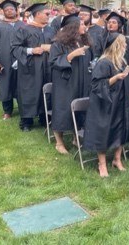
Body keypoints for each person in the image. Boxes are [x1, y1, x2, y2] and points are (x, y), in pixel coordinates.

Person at [83, 33, 129, 177]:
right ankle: (102, 164)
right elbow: (97, 85)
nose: (125, 46)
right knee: (103, 132)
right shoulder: (104, 62)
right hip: (104, 103)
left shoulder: (121, 62)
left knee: (121, 129)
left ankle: (117, 160)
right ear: (116, 45)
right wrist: (115, 77)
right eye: (123, 44)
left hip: (120, 101)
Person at [49, 14, 93, 155]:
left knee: (80, 109)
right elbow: (53, 62)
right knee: (62, 110)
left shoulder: (82, 41)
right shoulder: (58, 44)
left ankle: (75, 138)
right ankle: (59, 143)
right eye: (81, 25)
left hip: (81, 82)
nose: (84, 27)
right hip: (65, 83)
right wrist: (71, 55)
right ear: (73, 28)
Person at [11, 3, 57, 131]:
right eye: (47, 14)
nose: (49, 16)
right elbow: (15, 47)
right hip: (30, 67)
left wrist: (52, 48)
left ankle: (44, 117)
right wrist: (32, 50)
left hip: (48, 67)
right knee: (28, 92)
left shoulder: (50, 30)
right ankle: (26, 121)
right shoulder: (24, 29)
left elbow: (58, 46)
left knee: (46, 90)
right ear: (37, 14)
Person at [0, 0, 25, 120]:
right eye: (6, 10)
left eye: (11, 9)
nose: (9, 11)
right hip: (4, 60)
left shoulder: (22, 25)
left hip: (20, 59)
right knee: (5, 84)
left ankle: (23, 108)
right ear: (3, 12)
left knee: (21, 84)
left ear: (16, 10)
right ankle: (7, 111)